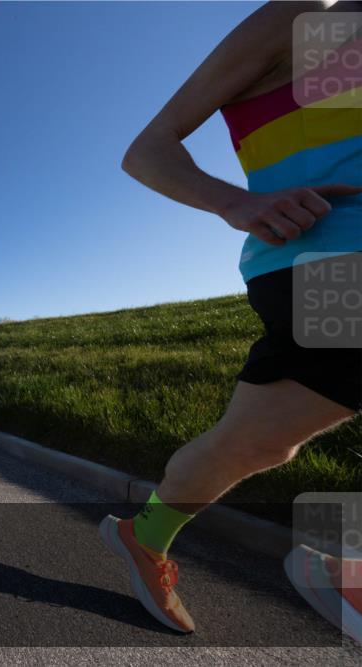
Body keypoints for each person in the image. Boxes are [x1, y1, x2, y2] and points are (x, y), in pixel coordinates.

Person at [99, 0, 362, 636]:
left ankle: (146, 534)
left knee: (262, 442)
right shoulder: (308, 13)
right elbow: (147, 150)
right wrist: (235, 203)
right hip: (324, 253)